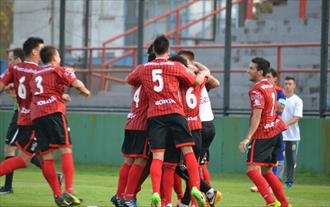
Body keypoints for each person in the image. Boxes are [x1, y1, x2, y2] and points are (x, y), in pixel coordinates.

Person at [127, 35, 208, 207]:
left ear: (154, 50)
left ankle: (156, 192)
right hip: (175, 113)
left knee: (158, 156)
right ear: (168, 50)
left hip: (155, 116)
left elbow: (130, 79)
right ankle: (194, 187)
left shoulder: (143, 68)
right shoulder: (176, 66)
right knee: (188, 152)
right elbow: (193, 81)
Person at [30, 45, 90, 207]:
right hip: (53, 113)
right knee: (65, 149)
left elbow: (41, 92)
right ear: (55, 57)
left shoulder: (35, 75)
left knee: (47, 155)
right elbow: (75, 82)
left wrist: (60, 94)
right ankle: (69, 192)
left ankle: (57, 194)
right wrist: (84, 90)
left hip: (37, 115)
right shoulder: (59, 69)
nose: (60, 59)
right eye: (59, 56)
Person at [238, 57, 291, 207]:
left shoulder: (257, 89)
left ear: (260, 72)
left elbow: (257, 114)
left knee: (251, 169)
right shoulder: (270, 86)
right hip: (276, 130)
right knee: (267, 171)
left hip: (263, 133)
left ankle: (271, 202)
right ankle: (285, 204)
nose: (248, 71)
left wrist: (248, 137)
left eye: (251, 68)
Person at [0, 37, 44, 182]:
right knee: (26, 158)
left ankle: (60, 191)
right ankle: (62, 191)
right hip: (35, 120)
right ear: (34, 52)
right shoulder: (39, 72)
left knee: (39, 156)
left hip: (23, 118)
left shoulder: (14, 68)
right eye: (41, 50)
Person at [111, 80, 149, 207]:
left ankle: (119, 195)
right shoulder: (150, 83)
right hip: (142, 125)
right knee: (140, 161)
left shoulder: (138, 83)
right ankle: (128, 197)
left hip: (131, 122)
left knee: (128, 161)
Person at [250, 68, 287, 192]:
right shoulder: (268, 90)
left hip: (272, 129)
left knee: (270, 162)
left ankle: (270, 190)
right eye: (268, 77)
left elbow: (281, 107)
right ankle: (267, 187)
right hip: (272, 128)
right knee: (262, 162)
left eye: (270, 77)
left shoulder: (279, 91)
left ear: (275, 78)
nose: (268, 79)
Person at [282, 76, 303, 189]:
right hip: (280, 135)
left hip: (292, 136)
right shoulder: (280, 99)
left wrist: (284, 124)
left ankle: (289, 182)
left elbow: (297, 117)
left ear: (294, 85)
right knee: (278, 159)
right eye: (286, 83)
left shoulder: (297, 100)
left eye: (290, 84)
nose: (288, 86)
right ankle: (275, 180)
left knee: (291, 160)